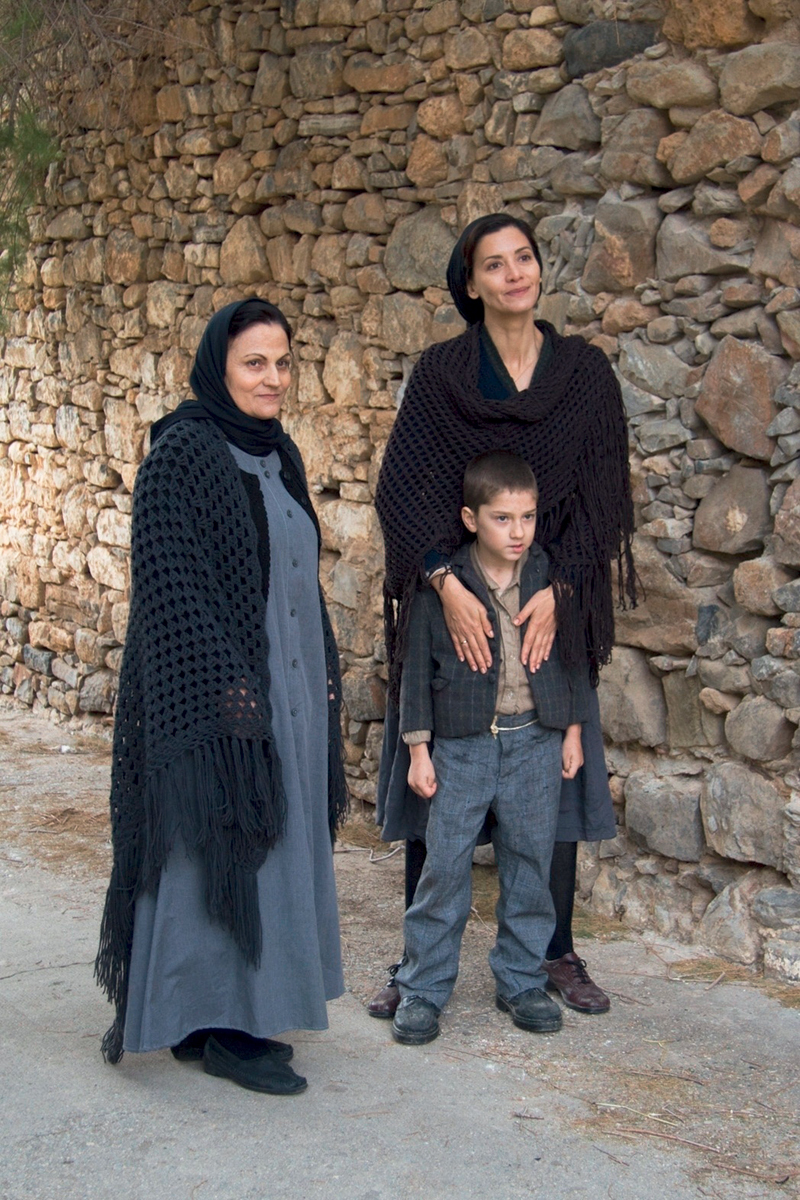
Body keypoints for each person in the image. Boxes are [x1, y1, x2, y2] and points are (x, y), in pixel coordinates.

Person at [371, 212, 635, 1021]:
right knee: (440, 796)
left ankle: (551, 952)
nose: (515, 273)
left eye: (524, 257)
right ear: (471, 283)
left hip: (552, 606)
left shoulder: (583, 375)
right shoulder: (443, 375)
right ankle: (419, 964)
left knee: (551, 790)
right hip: (458, 607)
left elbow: (604, 496)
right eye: (495, 263)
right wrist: (442, 581)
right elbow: (402, 488)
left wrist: (564, 587)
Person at [95, 298, 348, 1096]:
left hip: (293, 689)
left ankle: (223, 1016)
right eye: (254, 363)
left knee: (274, 844)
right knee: (222, 849)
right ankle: (222, 1024)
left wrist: (319, 673)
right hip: (218, 691)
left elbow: (298, 573)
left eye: (283, 363)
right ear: (219, 366)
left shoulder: (281, 453)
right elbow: (168, 582)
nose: (273, 378)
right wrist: (231, 690)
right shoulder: (183, 453)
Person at [392, 451, 588, 1045]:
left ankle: (521, 979)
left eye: (527, 517)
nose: (517, 531)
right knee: (445, 865)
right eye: (502, 518)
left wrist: (572, 732)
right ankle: (423, 987)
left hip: (535, 741)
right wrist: (419, 750)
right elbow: (414, 671)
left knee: (529, 863)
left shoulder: (551, 577)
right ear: (470, 519)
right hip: (462, 747)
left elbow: (575, 659)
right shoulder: (444, 586)